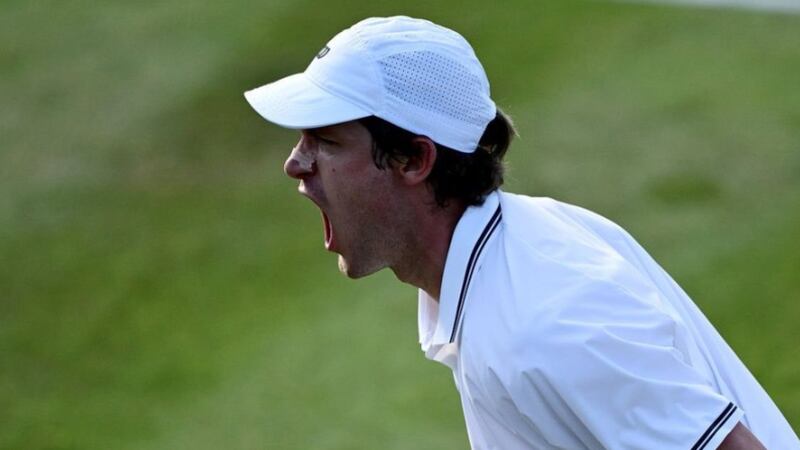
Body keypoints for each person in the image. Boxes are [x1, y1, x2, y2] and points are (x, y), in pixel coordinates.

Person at [244, 16, 798, 450]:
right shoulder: (505, 264)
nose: (296, 163)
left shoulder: (548, 326)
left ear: (414, 159)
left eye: (327, 142)